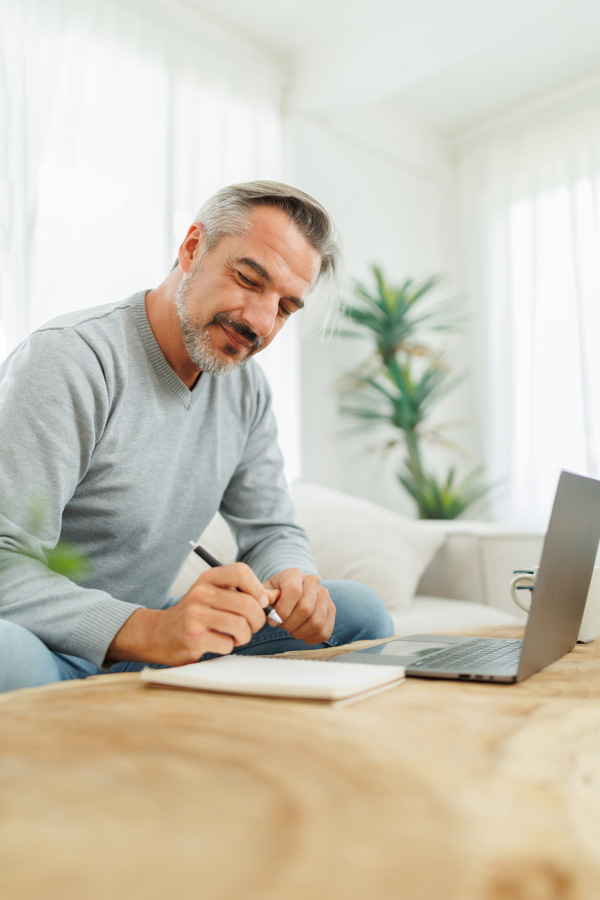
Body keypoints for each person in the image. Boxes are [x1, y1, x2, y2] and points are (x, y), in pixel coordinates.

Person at [0, 180, 393, 693]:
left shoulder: (246, 389)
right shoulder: (71, 360)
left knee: (360, 612)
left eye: (285, 308)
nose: (260, 322)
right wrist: (145, 630)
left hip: (156, 638)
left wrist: (294, 578)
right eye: (250, 279)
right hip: (49, 642)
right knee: (9, 660)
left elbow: (272, 528)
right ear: (191, 249)